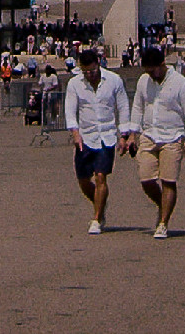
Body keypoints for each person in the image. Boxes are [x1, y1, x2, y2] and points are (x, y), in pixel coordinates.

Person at [130, 45, 185, 240]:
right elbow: (137, 107)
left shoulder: (181, 83)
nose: (150, 74)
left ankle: (163, 223)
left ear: (162, 64)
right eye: (147, 71)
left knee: (168, 180)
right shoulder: (144, 81)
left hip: (173, 136)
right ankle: (162, 204)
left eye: (153, 70)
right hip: (149, 134)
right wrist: (131, 134)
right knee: (146, 179)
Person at [64, 48, 135, 235]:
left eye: (92, 71)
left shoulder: (114, 81)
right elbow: (70, 110)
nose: (89, 75)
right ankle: (100, 202)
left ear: (99, 64)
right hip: (85, 136)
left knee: (101, 176)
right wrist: (75, 133)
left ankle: (96, 218)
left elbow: (123, 107)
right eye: (85, 71)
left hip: (107, 135)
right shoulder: (74, 84)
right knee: (83, 180)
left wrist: (124, 134)